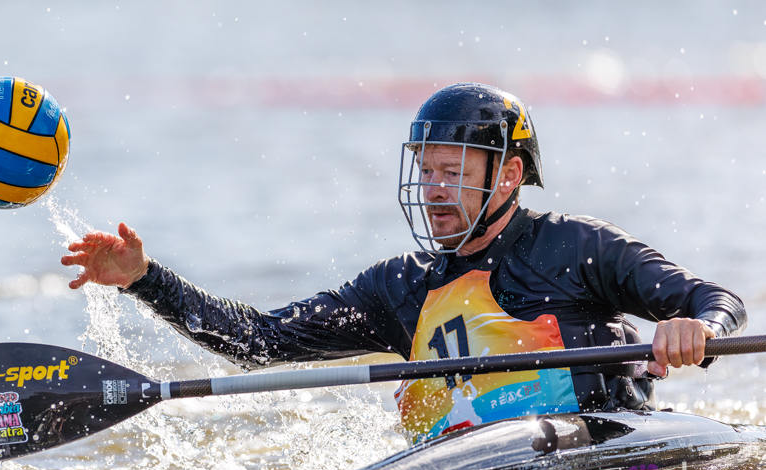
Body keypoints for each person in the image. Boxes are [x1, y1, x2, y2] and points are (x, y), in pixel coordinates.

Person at [61, 83, 746, 443]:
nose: (434, 190)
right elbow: (258, 341)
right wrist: (147, 280)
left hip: (596, 450)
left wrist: (698, 329)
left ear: (508, 176)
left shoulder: (577, 248)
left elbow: (714, 301)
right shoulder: (399, 289)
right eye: (427, 171)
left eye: (454, 172)